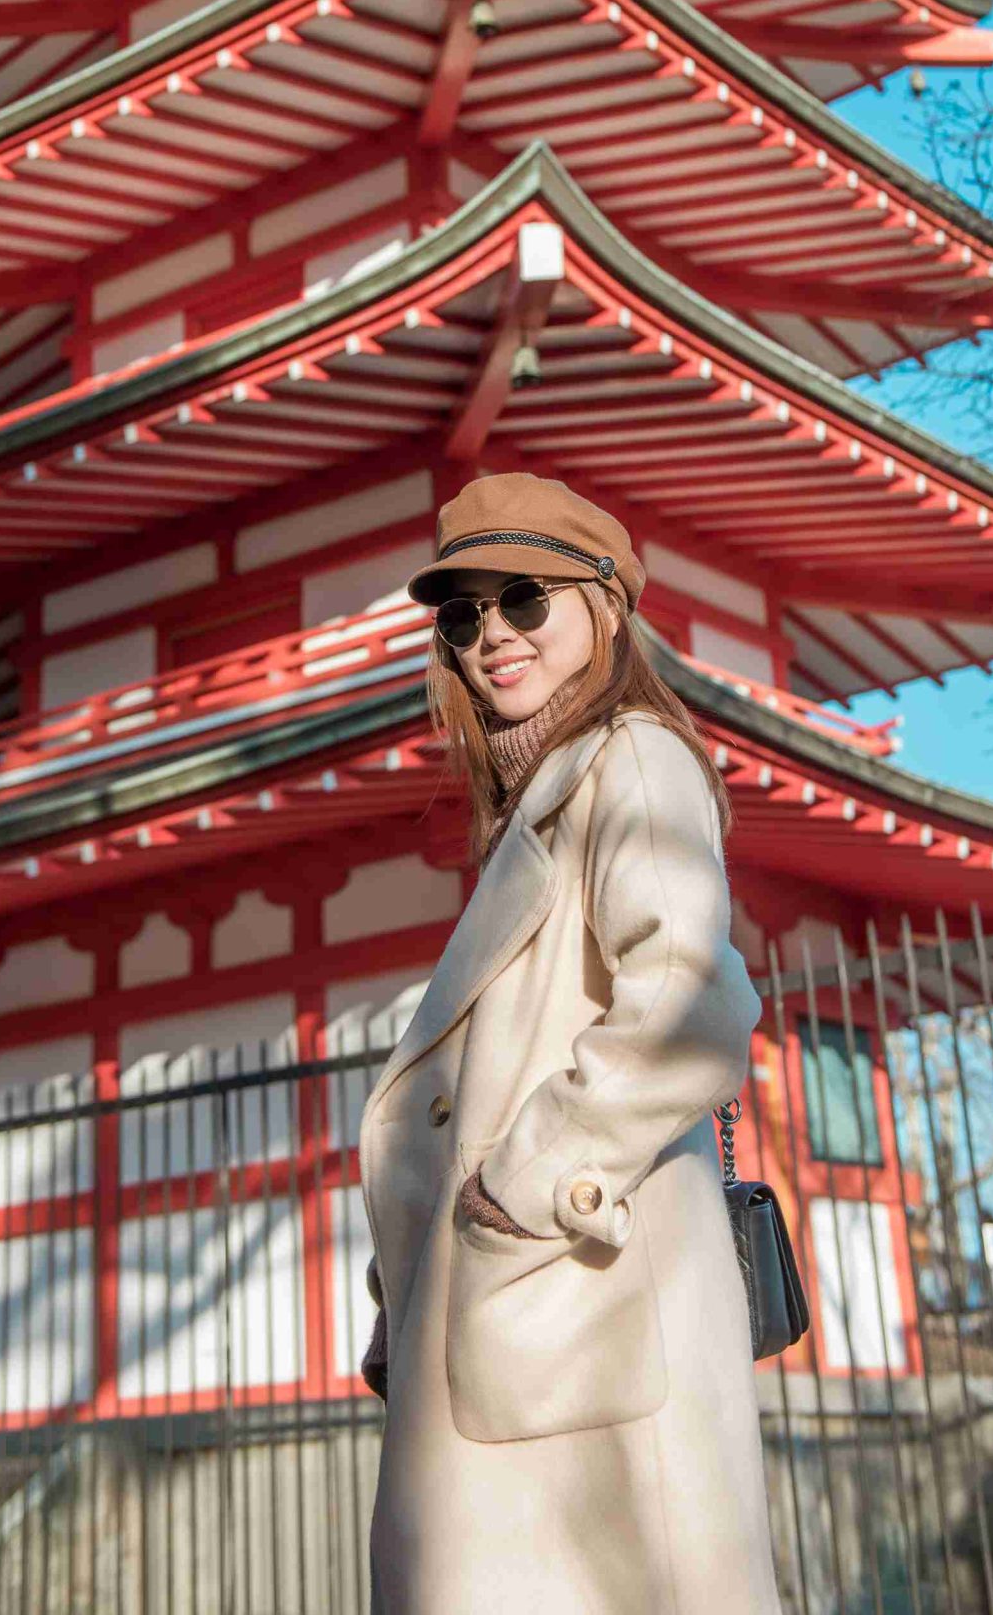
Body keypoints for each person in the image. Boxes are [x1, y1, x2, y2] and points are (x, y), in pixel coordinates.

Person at [357, 473, 783, 1613]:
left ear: (604, 603)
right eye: (462, 614)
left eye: (524, 598)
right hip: (528, 1328)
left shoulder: (631, 758)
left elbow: (688, 1000)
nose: (491, 632)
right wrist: (406, 1270)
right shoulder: (538, 802)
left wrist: (522, 1185)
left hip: (577, 1317)